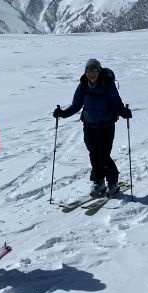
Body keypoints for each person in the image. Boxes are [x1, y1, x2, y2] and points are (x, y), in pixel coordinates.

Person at [53, 58, 132, 197]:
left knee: (104, 157)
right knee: (94, 156)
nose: (91, 73)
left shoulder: (107, 84)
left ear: (99, 70)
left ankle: (113, 181)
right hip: (89, 126)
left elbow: (116, 102)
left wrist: (123, 111)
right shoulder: (83, 85)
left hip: (106, 126)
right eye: (88, 70)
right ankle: (99, 182)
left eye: (94, 70)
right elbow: (76, 105)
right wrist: (63, 114)